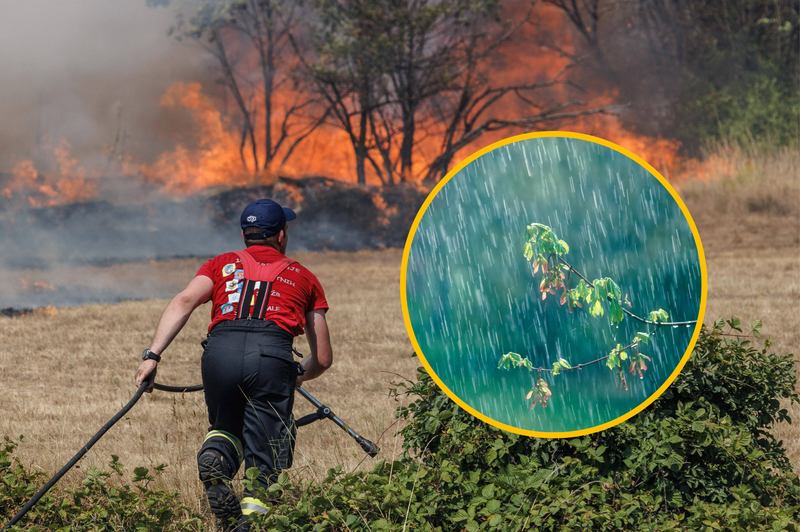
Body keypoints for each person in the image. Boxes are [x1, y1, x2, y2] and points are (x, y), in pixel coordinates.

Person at [133, 199, 332, 531]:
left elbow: (184, 300)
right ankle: (251, 522)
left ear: (244, 235)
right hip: (271, 356)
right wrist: (297, 375)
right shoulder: (304, 277)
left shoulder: (220, 264)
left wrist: (153, 356)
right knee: (266, 449)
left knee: (225, 426)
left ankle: (216, 458)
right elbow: (323, 357)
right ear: (281, 236)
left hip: (219, 354)